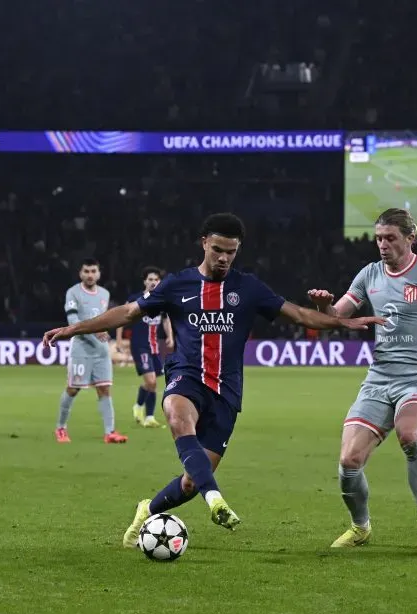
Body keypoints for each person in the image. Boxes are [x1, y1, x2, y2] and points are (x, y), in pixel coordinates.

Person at [42, 213, 382, 542]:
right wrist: (74, 328)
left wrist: (340, 321)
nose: (223, 258)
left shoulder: (248, 288)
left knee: (190, 482)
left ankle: (149, 509)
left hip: (227, 392)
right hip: (186, 377)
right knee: (176, 413)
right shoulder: (177, 284)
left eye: (230, 252)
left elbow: (298, 314)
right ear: (204, 243)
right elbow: (128, 312)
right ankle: (215, 499)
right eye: (217, 249)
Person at [308, 208, 417, 552]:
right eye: (379, 238)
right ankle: (360, 527)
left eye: (390, 238)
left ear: (411, 238)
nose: (382, 245)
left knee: (408, 434)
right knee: (349, 461)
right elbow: (337, 317)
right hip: (378, 378)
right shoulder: (369, 274)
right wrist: (324, 308)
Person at [54, 258, 128, 444]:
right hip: (81, 350)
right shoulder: (73, 293)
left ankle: (110, 432)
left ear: (98, 273)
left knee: (104, 389)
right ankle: (61, 428)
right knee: (73, 389)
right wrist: (96, 332)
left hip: (101, 351)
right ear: (81, 273)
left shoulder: (104, 293)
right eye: (86, 271)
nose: (90, 275)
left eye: (93, 271)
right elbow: (73, 323)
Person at [117, 266, 175, 428]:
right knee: (151, 382)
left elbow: (166, 319)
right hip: (140, 346)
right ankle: (147, 415)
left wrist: (170, 337)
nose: (153, 282)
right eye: (150, 279)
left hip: (154, 347)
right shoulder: (136, 299)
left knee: (152, 383)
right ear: (144, 281)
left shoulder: (162, 300)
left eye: (156, 280)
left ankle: (142, 411)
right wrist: (120, 339)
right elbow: (121, 316)